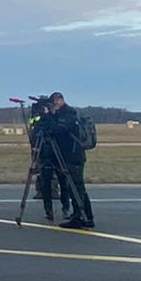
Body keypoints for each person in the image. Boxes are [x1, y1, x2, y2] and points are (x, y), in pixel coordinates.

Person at [43, 92, 95, 229]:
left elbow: (59, 130)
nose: (53, 106)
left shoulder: (69, 114)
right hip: (68, 156)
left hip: (73, 157)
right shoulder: (62, 114)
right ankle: (83, 215)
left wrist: (48, 115)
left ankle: (82, 217)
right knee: (76, 187)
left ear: (60, 100)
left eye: (54, 103)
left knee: (76, 187)